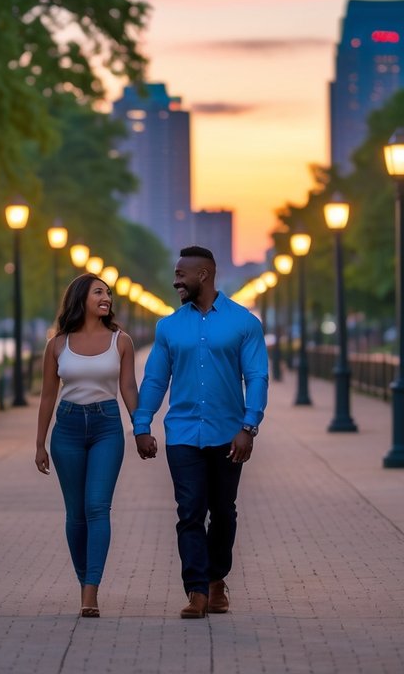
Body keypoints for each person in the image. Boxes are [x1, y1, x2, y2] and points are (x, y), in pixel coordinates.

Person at [133, 245, 268, 619]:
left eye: (181, 275)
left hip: (229, 434)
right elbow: (156, 379)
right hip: (183, 434)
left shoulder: (244, 323)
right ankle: (196, 591)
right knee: (190, 511)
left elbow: (257, 376)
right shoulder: (169, 326)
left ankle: (215, 580)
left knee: (223, 511)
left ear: (203, 275)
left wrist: (249, 427)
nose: (176, 281)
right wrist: (142, 425)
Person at [36, 272, 139, 618]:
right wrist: (40, 444)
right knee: (76, 514)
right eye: (98, 292)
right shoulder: (57, 344)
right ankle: (84, 583)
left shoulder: (121, 341)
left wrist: (141, 428)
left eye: (108, 293)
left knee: (97, 507)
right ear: (81, 298)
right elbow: (48, 395)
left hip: (106, 427)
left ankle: (91, 591)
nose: (106, 297)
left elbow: (128, 388)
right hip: (66, 429)